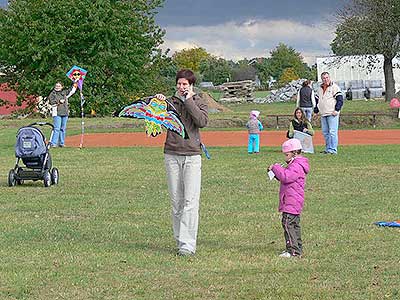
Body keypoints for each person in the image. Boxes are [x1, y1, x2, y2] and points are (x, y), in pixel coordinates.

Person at [155, 69, 208, 257]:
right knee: (176, 201)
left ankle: (188, 244)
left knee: (190, 201)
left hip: (192, 155)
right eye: (179, 83)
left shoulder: (199, 101)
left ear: (191, 85)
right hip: (171, 153)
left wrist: (189, 100)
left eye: (185, 84)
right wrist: (157, 104)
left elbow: (201, 121)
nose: (181, 87)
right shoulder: (169, 103)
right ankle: (179, 240)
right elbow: (156, 124)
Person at [268, 138, 310, 258]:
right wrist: (276, 173)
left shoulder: (296, 166)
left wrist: (276, 167)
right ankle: (297, 248)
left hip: (292, 201)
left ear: (294, 153)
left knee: (288, 224)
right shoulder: (295, 165)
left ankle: (292, 250)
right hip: (292, 200)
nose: (285, 157)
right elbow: (284, 178)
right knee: (293, 225)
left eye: (286, 154)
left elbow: (286, 177)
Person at [314, 72, 344, 154]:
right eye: (324, 78)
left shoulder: (334, 87)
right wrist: (316, 110)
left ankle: (333, 150)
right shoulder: (319, 88)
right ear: (322, 79)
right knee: (325, 132)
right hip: (323, 113)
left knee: (332, 132)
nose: (325, 79)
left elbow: (340, 100)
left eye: (327, 77)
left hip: (332, 113)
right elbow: (317, 100)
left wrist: (337, 110)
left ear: (329, 77)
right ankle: (328, 149)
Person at [48, 81, 77, 147]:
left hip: (65, 112)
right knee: (57, 128)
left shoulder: (64, 93)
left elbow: (72, 91)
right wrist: (59, 102)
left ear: (62, 87)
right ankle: (53, 143)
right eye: (56, 86)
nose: (57, 87)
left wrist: (75, 83)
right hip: (57, 113)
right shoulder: (52, 94)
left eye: (59, 86)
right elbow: (51, 102)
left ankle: (61, 143)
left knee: (63, 129)